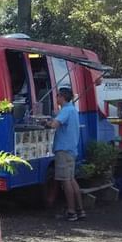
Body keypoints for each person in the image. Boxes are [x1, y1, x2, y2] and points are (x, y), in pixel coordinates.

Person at [48, 86, 84, 221]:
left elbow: (54, 125)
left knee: (65, 181)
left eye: (57, 96)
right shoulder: (73, 110)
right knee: (72, 180)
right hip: (72, 149)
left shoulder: (65, 110)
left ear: (62, 97)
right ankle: (80, 210)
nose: (56, 99)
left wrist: (47, 122)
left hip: (63, 149)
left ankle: (71, 211)